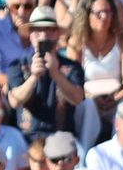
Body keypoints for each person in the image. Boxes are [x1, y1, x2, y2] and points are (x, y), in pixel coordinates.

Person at [7, 7, 85, 140]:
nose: (43, 35)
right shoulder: (17, 65)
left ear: (57, 33)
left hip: (61, 137)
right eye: (37, 29)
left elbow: (77, 99)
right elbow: (14, 101)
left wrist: (56, 74)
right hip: (25, 137)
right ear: (30, 33)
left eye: (49, 29)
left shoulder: (72, 66)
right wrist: (33, 77)